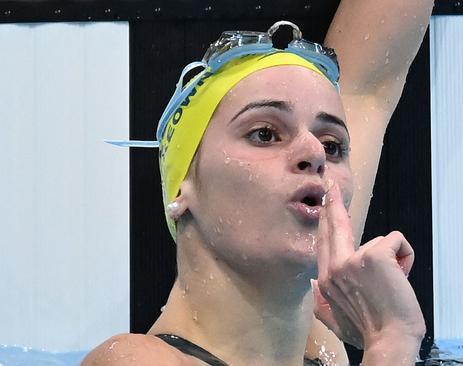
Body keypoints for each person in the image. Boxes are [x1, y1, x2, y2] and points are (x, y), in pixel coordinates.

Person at [83, 1, 433, 365]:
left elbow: (367, 89)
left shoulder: (322, 345)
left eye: (332, 146)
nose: (315, 153)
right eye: (265, 134)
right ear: (182, 187)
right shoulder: (132, 360)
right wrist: (392, 342)